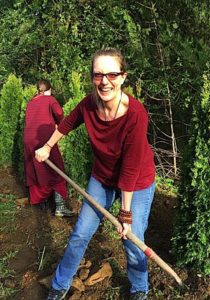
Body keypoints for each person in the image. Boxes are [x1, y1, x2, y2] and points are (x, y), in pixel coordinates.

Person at [35, 48, 155, 300]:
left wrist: (125, 214)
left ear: (123, 77)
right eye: (98, 75)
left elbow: (130, 169)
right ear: (92, 78)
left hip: (137, 183)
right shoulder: (90, 104)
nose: (104, 81)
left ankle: (140, 289)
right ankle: (59, 285)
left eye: (112, 74)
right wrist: (47, 146)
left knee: (132, 239)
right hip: (102, 178)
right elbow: (67, 123)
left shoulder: (136, 114)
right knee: (80, 233)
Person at [24, 79, 74, 217]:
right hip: (44, 138)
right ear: (49, 89)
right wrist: (58, 125)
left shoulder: (31, 102)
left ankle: (42, 203)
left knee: (36, 170)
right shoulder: (50, 99)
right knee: (57, 169)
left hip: (28, 139)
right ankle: (60, 207)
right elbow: (59, 114)